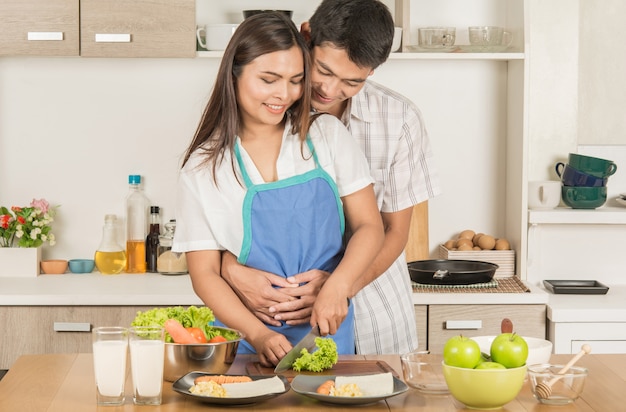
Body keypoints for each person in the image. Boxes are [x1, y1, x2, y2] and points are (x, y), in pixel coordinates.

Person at [220, 0, 441, 355]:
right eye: (323, 70)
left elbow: (395, 231)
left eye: (352, 81)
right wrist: (229, 270)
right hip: (273, 316)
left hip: (377, 314)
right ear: (307, 35)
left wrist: (340, 287)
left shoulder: (400, 120)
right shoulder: (262, 109)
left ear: (372, 72)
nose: (329, 88)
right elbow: (220, 222)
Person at [172, 12, 384, 367]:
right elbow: (204, 273)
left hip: (325, 331)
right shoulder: (204, 167)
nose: (283, 95)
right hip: (243, 338)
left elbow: (369, 227)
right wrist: (258, 334)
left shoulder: (326, 136)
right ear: (234, 73)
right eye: (269, 79)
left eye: (296, 80)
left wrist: (337, 287)